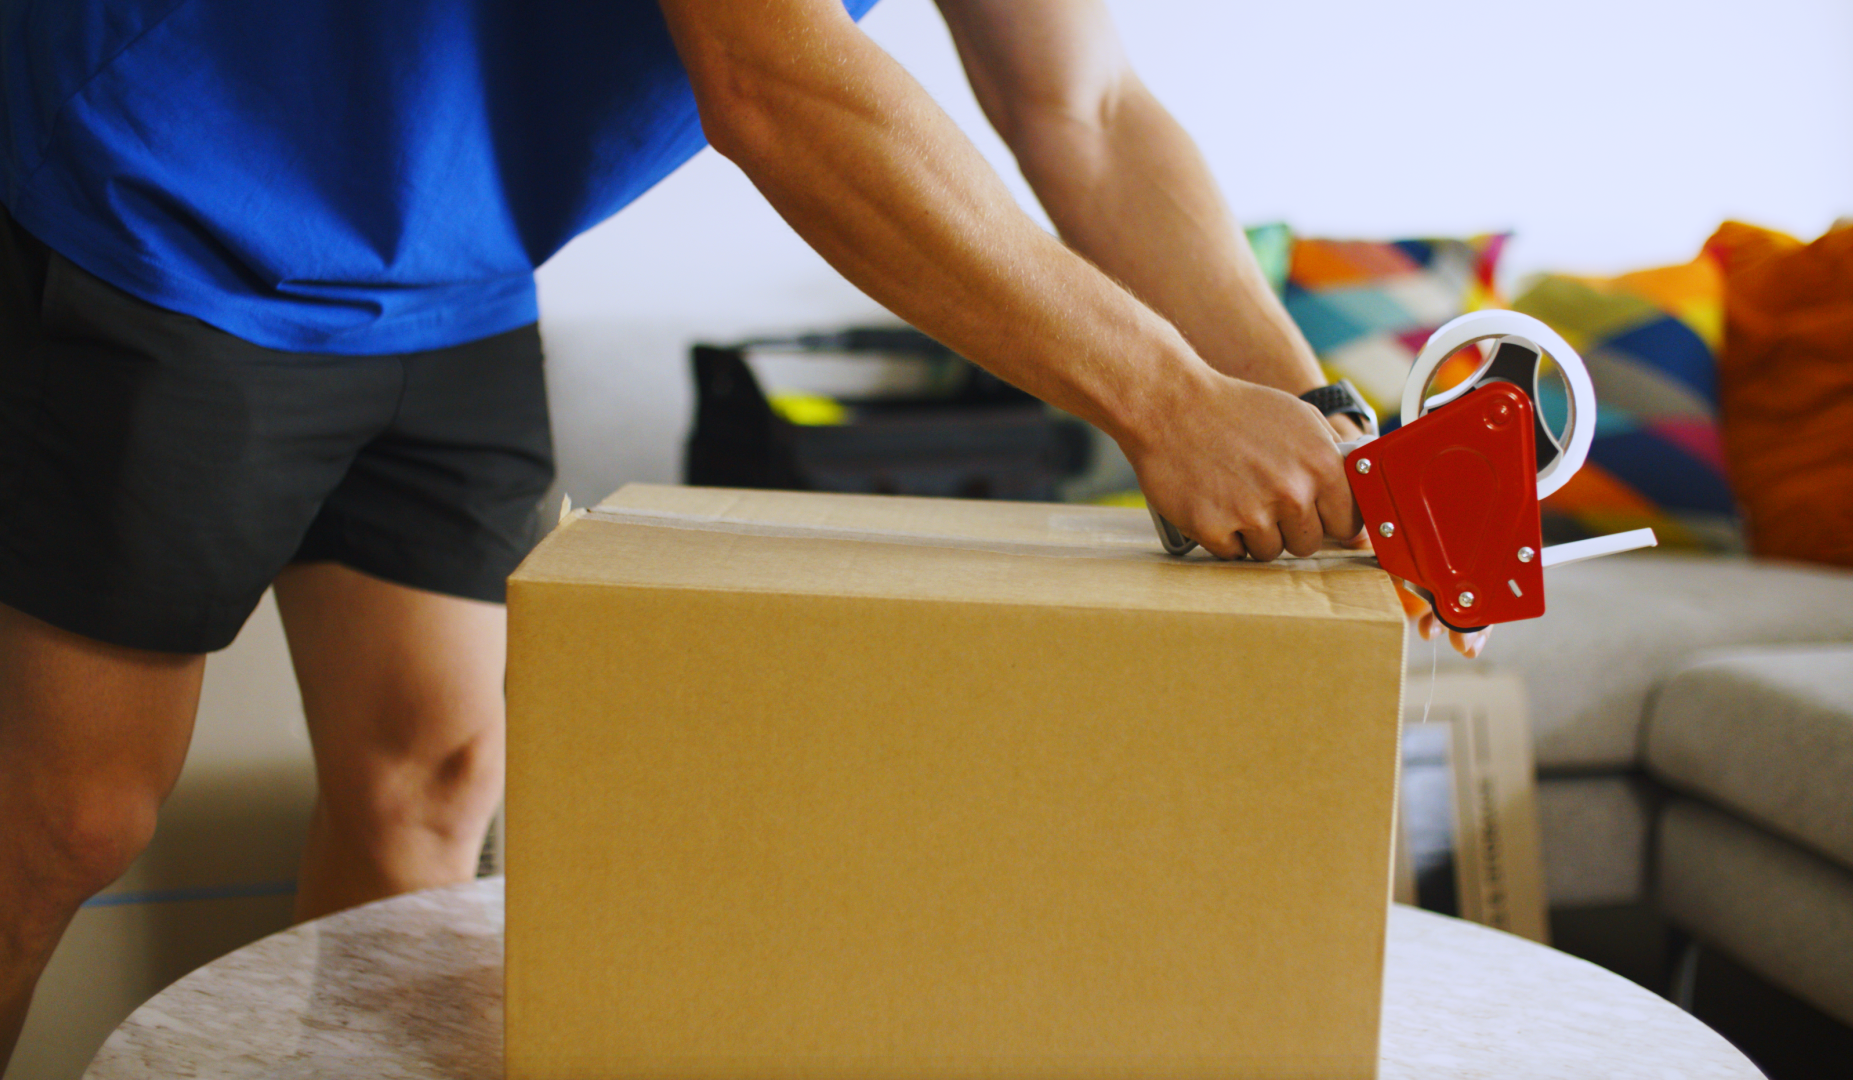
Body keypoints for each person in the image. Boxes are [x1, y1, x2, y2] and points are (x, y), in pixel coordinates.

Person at [0, 0, 1484, 1064]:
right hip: (168, 192)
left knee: (430, 780)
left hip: (454, 251)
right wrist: (1163, 401)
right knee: (72, 814)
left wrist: (1320, 427)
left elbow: (1083, 110)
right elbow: (766, 75)